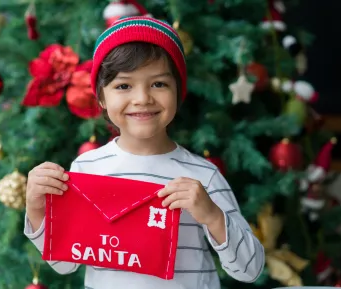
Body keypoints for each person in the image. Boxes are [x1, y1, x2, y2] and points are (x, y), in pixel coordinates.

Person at [24, 16, 265, 289]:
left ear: (178, 91)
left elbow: (250, 269)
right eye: (123, 86)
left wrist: (211, 215)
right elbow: (64, 263)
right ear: (101, 97)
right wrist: (36, 209)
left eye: (159, 84)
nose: (142, 98)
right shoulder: (87, 167)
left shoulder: (204, 176)